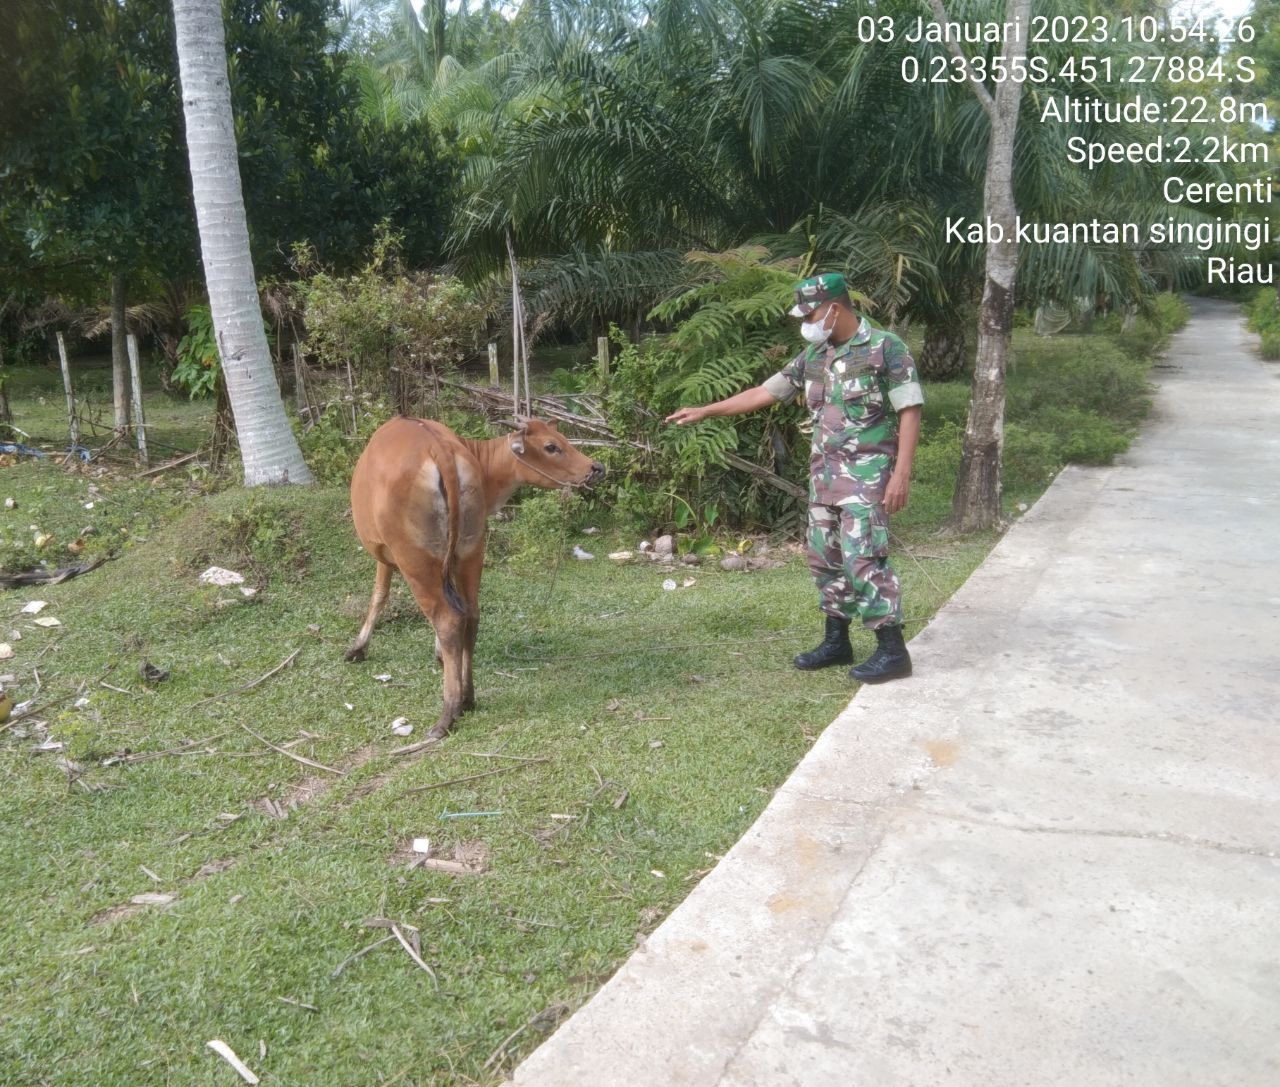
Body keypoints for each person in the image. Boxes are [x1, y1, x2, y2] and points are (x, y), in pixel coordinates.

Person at [666, 272, 923, 683]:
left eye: (811, 312)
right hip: (824, 479)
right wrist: (705, 410)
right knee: (825, 561)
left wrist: (901, 475)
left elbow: (910, 409)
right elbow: (765, 392)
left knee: (864, 561)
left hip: (868, 478)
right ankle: (837, 642)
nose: (805, 321)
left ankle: (893, 651)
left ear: (835, 308)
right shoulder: (815, 355)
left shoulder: (885, 348)